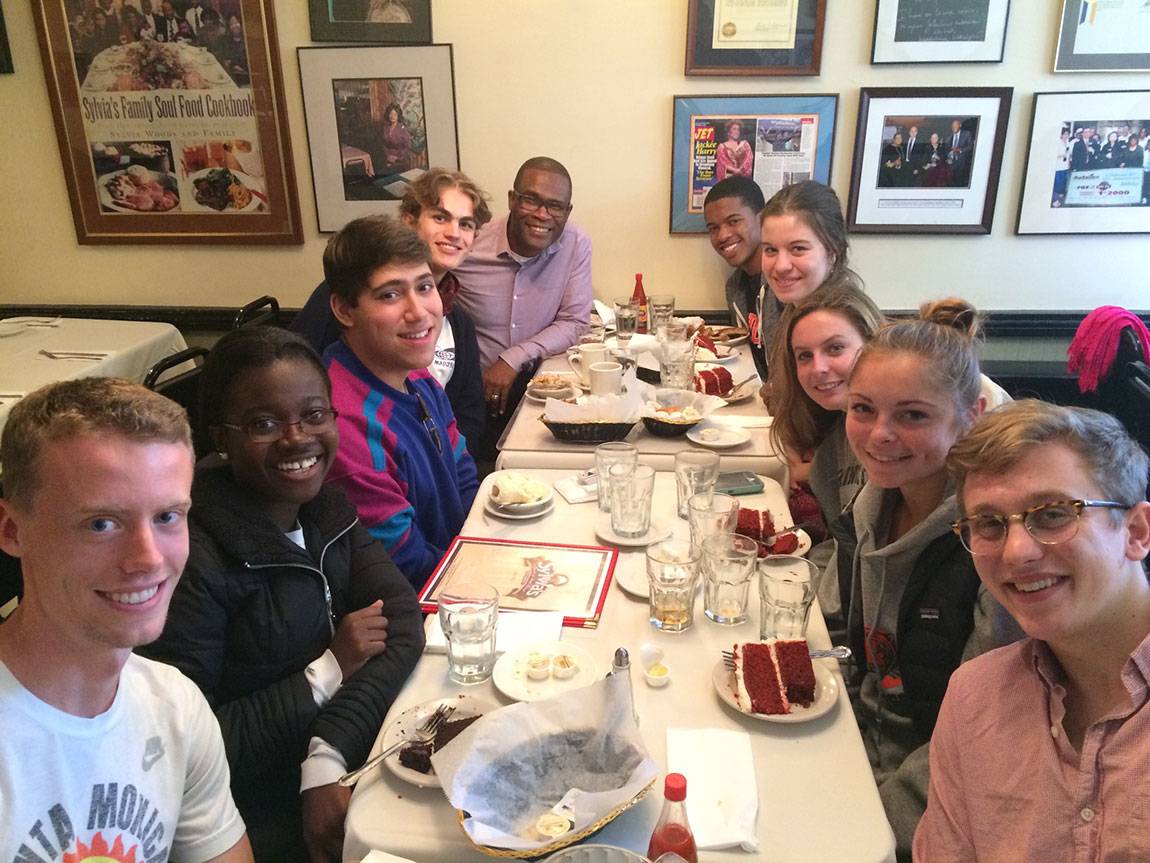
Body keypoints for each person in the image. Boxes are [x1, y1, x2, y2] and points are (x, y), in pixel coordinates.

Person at [140, 327, 424, 862]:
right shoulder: (190, 559)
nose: (297, 438)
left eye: (314, 415)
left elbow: (404, 622)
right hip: (247, 814)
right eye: (264, 424)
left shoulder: (325, 510)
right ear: (221, 439)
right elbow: (190, 743)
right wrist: (329, 670)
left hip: (341, 757)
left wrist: (326, 754)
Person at [0, 378, 252, 862]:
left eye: (167, 517)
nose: (148, 558)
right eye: (101, 524)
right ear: (13, 530)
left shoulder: (174, 707)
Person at [914, 401, 1150, 862]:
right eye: (989, 524)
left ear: (1137, 531)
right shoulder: (974, 699)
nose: (1017, 551)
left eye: (1053, 514)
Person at [836, 299, 1021, 860]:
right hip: (855, 741)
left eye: (913, 415)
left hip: (924, 797)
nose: (879, 434)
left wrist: (867, 821)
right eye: (863, 408)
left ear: (971, 415)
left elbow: (973, 741)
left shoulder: (994, 548)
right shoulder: (872, 503)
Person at [323, 215, 479, 589]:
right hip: (416, 604)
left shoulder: (417, 375)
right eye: (391, 294)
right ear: (345, 310)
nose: (419, 311)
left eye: (425, 287)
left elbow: (463, 474)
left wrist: (487, 543)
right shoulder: (345, 423)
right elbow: (405, 564)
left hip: (456, 565)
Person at [292, 168, 492, 452]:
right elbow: (299, 381)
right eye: (440, 217)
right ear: (409, 221)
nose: (453, 233)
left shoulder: (458, 320)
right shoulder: (346, 298)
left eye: (466, 224)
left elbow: (470, 415)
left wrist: (449, 464)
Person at [453, 156, 592, 459]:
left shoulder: (576, 243)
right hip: (474, 397)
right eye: (531, 200)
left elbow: (574, 321)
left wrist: (513, 358)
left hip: (544, 392)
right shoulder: (470, 242)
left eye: (555, 206)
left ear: (567, 212)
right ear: (512, 200)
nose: (543, 215)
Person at [757, 180, 863, 370]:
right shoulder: (794, 310)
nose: (781, 266)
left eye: (798, 248)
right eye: (771, 250)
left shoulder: (837, 322)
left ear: (833, 252)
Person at [702, 175, 768, 378]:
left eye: (733, 221)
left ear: (762, 219)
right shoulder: (735, 286)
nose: (722, 236)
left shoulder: (784, 284)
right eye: (714, 228)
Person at [381, 103, 413, 174]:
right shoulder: (386, 127)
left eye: (395, 114)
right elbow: (384, 144)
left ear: (398, 116)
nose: (392, 116)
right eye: (391, 114)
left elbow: (408, 146)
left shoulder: (402, 128)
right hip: (388, 159)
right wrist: (388, 155)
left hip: (401, 160)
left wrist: (397, 157)